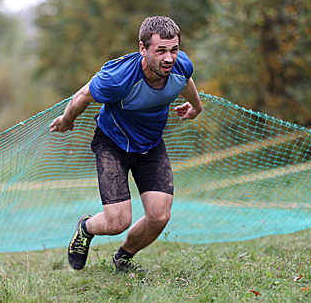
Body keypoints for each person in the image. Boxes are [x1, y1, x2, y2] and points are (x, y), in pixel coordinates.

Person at [49, 16, 203, 273]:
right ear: (142, 49)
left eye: (174, 50)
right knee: (118, 222)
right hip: (113, 144)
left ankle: (123, 258)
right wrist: (67, 120)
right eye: (160, 51)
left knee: (160, 217)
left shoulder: (180, 65)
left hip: (151, 145)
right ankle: (85, 228)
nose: (169, 58)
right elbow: (83, 94)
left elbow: (185, 80)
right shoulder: (117, 78)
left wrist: (196, 107)